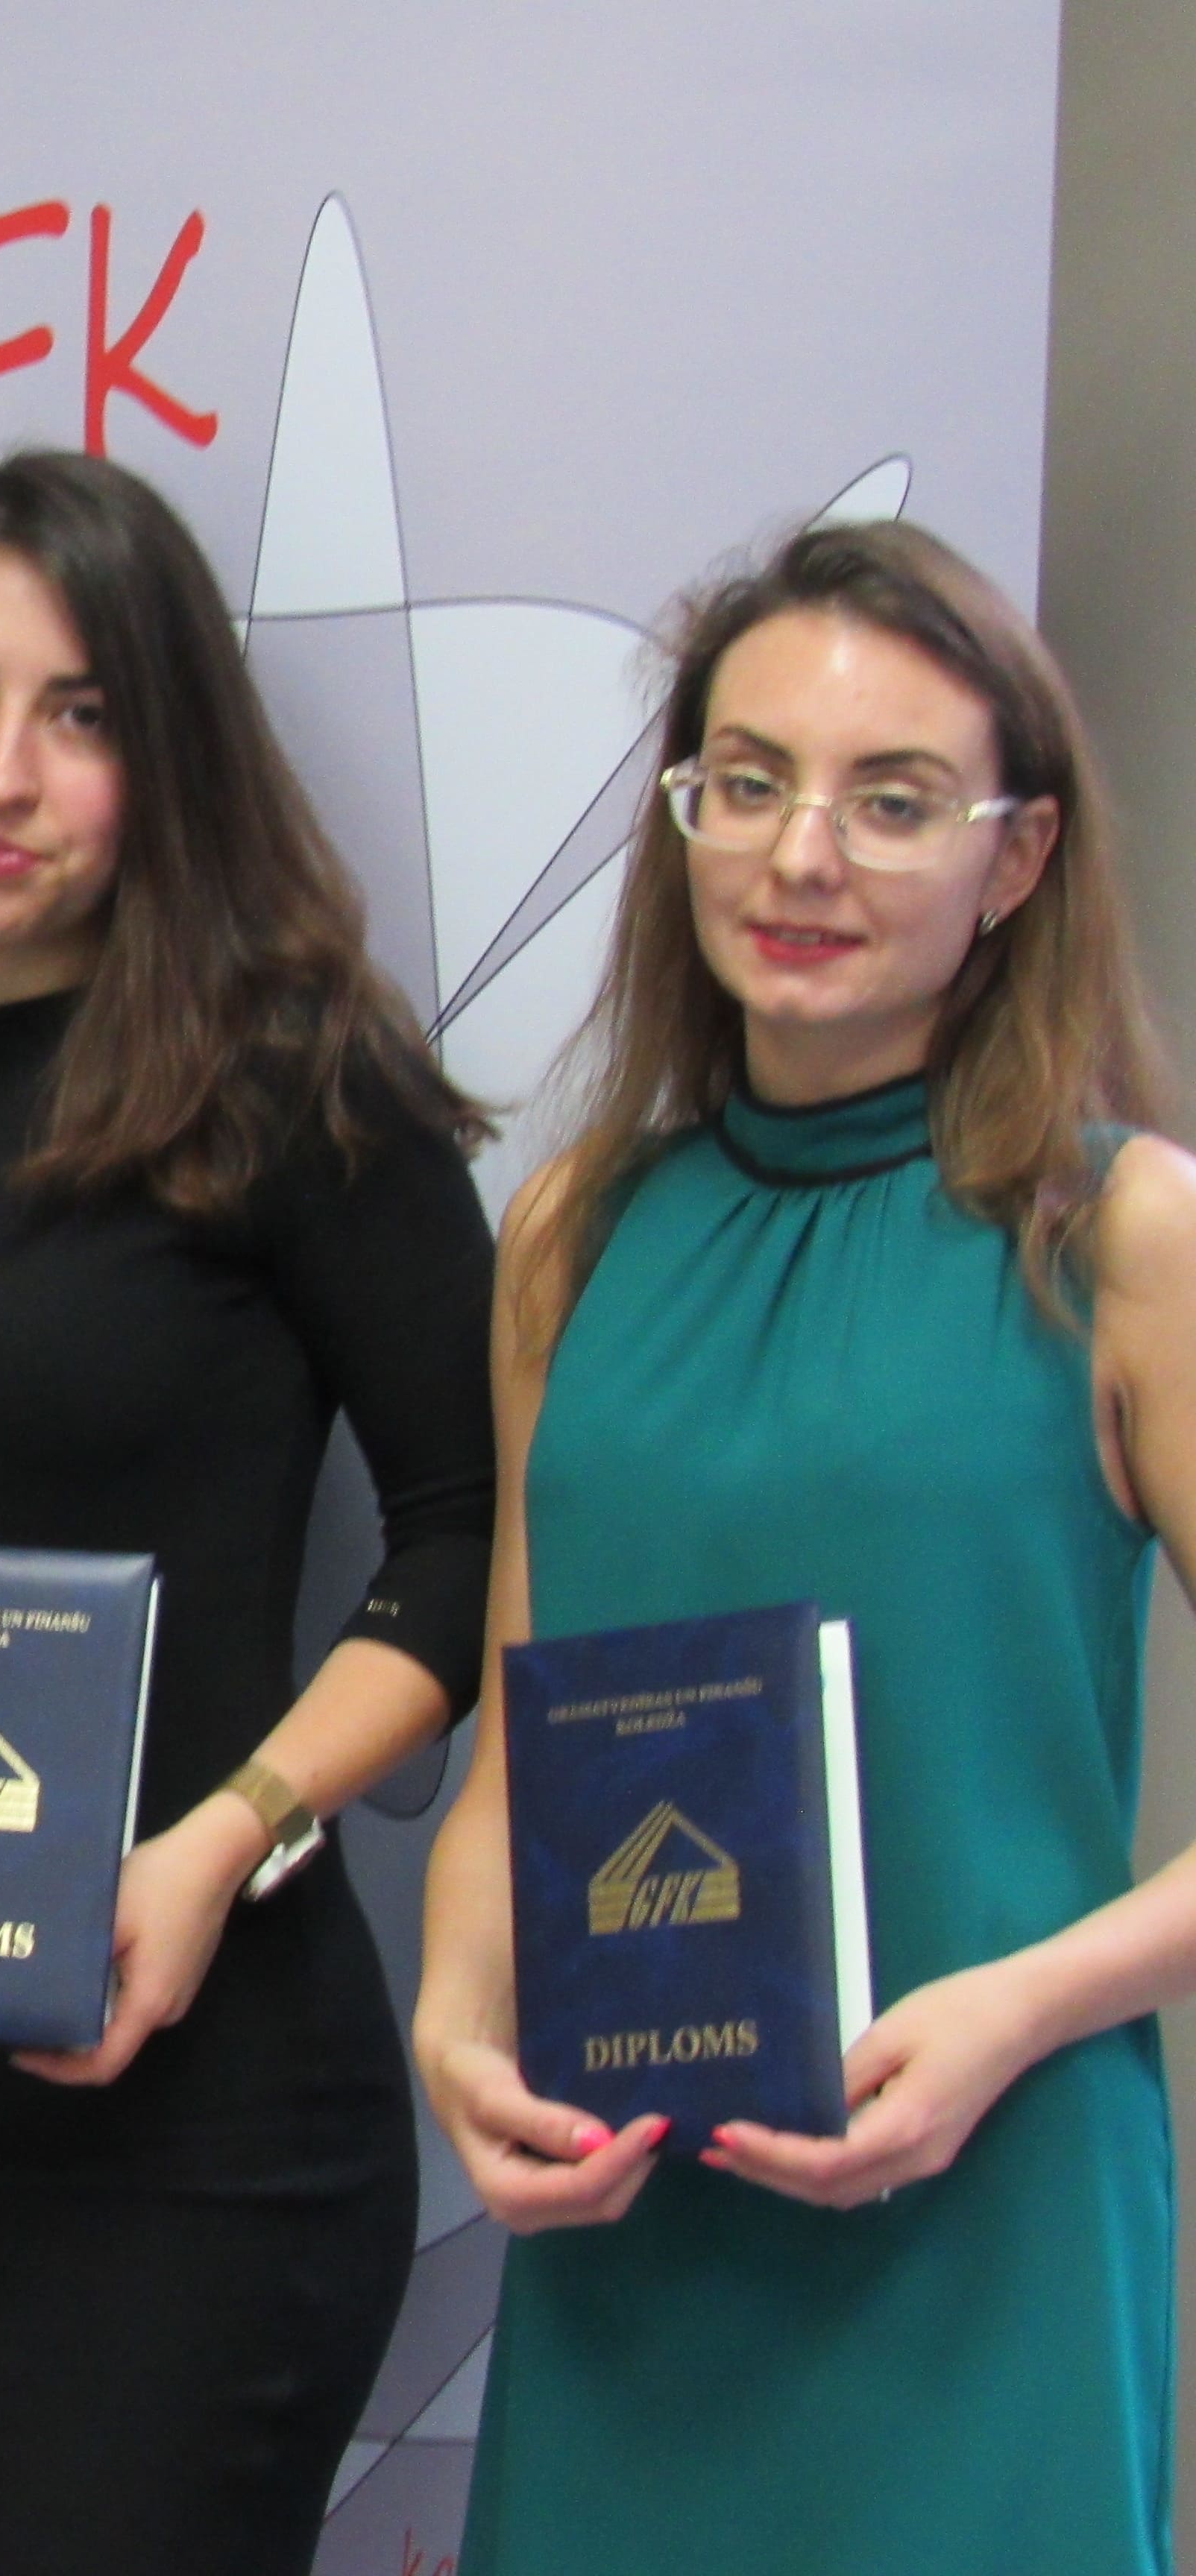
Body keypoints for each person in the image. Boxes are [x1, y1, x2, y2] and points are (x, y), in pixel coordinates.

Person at [0, 449, 498, 2576]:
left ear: (171, 759)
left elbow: (463, 1539)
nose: (2, 775)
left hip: (220, 2116)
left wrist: (225, 1841)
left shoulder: (297, 1090)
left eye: (84, 716)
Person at [412, 518, 1191, 2572]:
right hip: (640, 2238)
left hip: (990, 2215)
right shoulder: (573, 1235)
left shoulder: (1124, 1235)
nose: (801, 855)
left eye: (893, 801)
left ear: (1018, 858)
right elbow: (517, 1745)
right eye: (747, 784)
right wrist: (456, 2019)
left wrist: (1013, 2014)